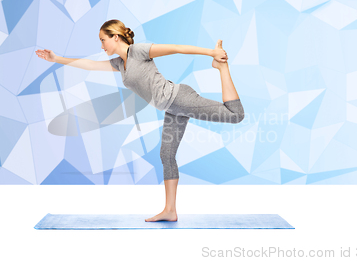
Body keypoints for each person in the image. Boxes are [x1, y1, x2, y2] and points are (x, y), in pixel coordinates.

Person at [36, 19, 244, 222]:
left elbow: (177, 48)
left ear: (115, 37)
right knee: (166, 155)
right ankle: (170, 210)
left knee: (235, 115)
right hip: (172, 108)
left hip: (180, 98)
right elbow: (90, 64)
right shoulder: (120, 63)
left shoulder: (138, 52)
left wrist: (212, 53)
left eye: (102, 40)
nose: (101, 45)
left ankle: (221, 68)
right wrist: (57, 59)